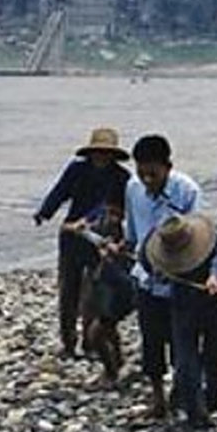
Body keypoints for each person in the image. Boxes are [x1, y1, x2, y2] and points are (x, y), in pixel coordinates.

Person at [123, 134, 206, 420]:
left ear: (168, 167)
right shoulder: (133, 188)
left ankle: (187, 401)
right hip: (145, 280)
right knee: (151, 342)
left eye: (153, 173)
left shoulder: (187, 192)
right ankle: (158, 400)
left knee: (183, 347)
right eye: (141, 172)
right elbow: (132, 234)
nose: (147, 179)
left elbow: (200, 238)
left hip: (179, 282)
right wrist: (125, 249)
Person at [33, 126, 133, 360]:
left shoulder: (121, 177)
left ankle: (91, 340)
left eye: (106, 153)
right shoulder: (77, 170)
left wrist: (91, 222)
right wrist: (44, 213)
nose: (101, 156)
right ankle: (68, 341)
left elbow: (118, 208)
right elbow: (59, 192)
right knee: (69, 289)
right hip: (72, 235)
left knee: (97, 291)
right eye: (98, 152)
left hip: (104, 238)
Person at [143, 213, 217, 432]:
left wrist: (215, 276)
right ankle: (195, 413)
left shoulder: (212, 232)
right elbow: (146, 261)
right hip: (183, 302)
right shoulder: (156, 239)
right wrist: (161, 273)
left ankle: (212, 397)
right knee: (186, 361)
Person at [81, 206, 134, 387]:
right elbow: (86, 231)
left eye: (116, 214)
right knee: (106, 325)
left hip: (121, 285)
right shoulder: (101, 219)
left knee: (96, 332)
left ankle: (111, 371)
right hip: (108, 281)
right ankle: (116, 361)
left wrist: (109, 255)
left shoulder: (128, 233)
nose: (112, 218)